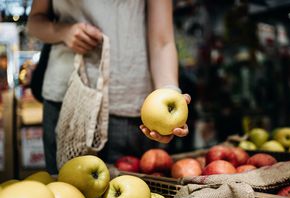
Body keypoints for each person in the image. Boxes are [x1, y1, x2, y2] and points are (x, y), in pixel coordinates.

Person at [27, 0, 190, 175]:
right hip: (66, 103)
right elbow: (35, 21)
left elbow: (162, 41)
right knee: (65, 194)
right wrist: (64, 32)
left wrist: (170, 92)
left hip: (128, 105)